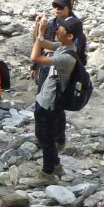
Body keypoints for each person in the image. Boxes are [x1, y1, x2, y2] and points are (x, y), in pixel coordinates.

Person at [29, 14, 83, 180]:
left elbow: (35, 57)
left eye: (60, 29)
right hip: (46, 97)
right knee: (45, 135)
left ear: (70, 36)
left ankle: (47, 173)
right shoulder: (63, 46)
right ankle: (56, 165)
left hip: (50, 102)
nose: (57, 31)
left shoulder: (66, 57)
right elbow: (46, 43)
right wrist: (39, 31)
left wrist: (41, 33)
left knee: (45, 137)